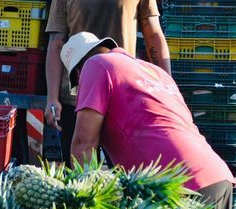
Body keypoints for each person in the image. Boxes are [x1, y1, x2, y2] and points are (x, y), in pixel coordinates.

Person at [62, 32, 236, 209]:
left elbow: (83, 144)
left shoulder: (95, 64)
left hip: (178, 188)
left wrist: (87, 206)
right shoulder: (157, 72)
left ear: (79, 72)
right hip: (218, 176)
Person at [44, 0, 170, 166]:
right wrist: (52, 98)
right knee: (79, 180)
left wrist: (167, 86)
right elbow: (56, 43)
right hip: (78, 100)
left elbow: (153, 34)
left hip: (123, 97)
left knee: (127, 179)